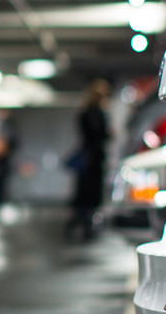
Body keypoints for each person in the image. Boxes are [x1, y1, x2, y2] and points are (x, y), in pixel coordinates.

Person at [66, 78, 111, 242]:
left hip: (88, 158)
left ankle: (78, 223)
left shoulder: (84, 112)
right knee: (89, 195)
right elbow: (100, 134)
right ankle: (84, 226)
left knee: (83, 194)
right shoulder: (96, 113)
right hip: (93, 160)